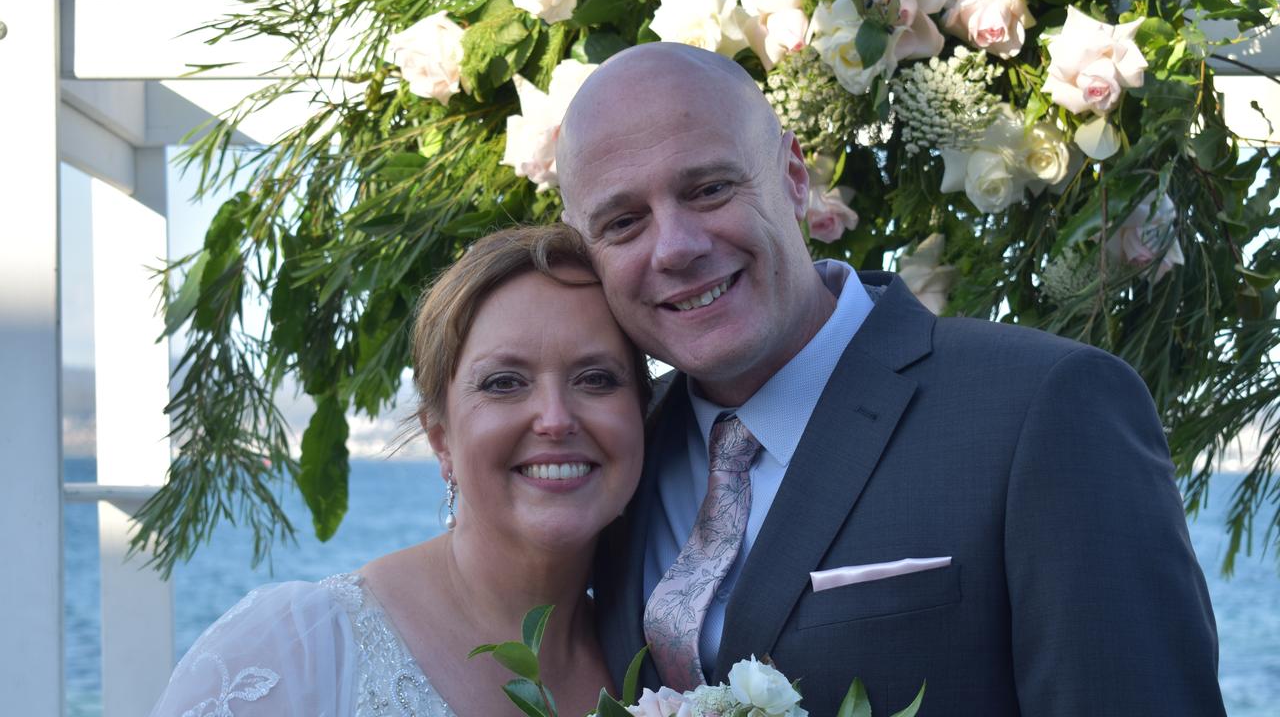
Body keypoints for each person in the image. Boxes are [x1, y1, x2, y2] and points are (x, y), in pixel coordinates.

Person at [556, 43, 1227, 715]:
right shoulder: (614, 464)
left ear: (793, 176)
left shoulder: (1043, 407)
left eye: (708, 189)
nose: (675, 246)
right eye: (623, 222)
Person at [148, 225, 650, 716]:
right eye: (503, 383)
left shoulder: (666, 668)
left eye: (596, 378)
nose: (556, 419)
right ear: (441, 438)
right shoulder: (299, 655)